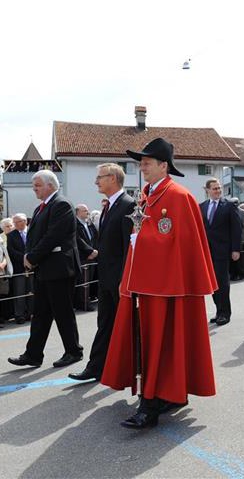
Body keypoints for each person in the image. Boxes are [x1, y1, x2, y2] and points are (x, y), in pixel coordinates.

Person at [101, 138, 217, 429]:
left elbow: (177, 244)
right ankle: (166, 395)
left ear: (164, 165)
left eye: (147, 163)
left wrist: (142, 240)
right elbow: (141, 239)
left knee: (161, 343)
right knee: (148, 342)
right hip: (144, 283)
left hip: (167, 286)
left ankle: (150, 405)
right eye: (141, 163)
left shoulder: (178, 196)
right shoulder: (146, 196)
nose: (142, 168)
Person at [8, 170, 83, 368]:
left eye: (37, 185)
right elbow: (36, 237)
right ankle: (33, 354)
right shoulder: (42, 208)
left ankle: (74, 351)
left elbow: (53, 237)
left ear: (50, 185)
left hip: (59, 270)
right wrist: (29, 255)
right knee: (40, 313)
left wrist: (31, 257)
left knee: (63, 312)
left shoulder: (61, 205)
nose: (34, 189)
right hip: (45, 269)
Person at [69, 164, 134, 382]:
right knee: (104, 323)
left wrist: (125, 279)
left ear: (113, 179)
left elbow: (129, 248)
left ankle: (136, 369)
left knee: (128, 326)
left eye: (100, 177)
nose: (96, 181)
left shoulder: (127, 205)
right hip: (106, 278)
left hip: (119, 280)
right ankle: (96, 367)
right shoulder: (109, 206)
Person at [200, 178, 241, 326]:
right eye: (214, 188)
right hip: (207, 251)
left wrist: (236, 249)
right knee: (211, 283)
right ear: (207, 190)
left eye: (219, 188)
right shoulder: (202, 206)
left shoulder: (229, 206)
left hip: (223, 251)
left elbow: (237, 228)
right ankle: (218, 311)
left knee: (222, 282)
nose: (217, 191)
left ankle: (225, 313)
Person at [7, 213, 33, 324]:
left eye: (18, 222)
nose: (16, 224)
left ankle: (31, 312)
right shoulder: (11, 235)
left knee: (32, 291)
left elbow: (37, 246)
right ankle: (19, 315)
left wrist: (31, 259)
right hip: (19, 268)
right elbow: (11, 251)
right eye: (15, 222)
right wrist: (24, 259)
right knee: (19, 292)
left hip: (33, 266)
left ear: (24, 221)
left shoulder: (33, 232)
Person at [73, 204, 98, 312]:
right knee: (83, 281)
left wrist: (95, 250)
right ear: (77, 212)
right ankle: (82, 303)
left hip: (93, 256)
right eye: (85, 211)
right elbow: (78, 239)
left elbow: (95, 237)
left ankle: (87, 300)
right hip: (83, 256)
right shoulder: (75, 224)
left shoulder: (89, 223)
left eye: (88, 210)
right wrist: (89, 251)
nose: (87, 213)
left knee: (90, 280)